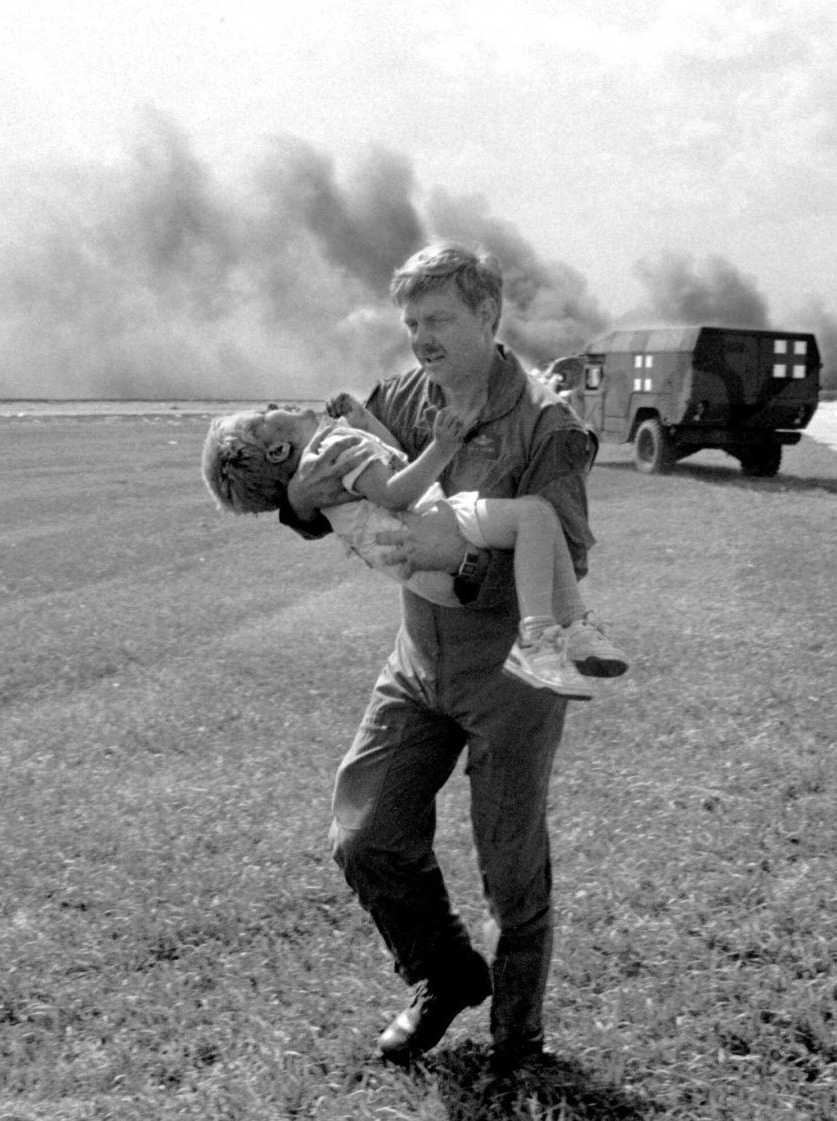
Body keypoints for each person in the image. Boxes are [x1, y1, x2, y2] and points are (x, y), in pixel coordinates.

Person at [274, 241, 606, 1069]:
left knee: (509, 864)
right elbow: (347, 482)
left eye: (439, 320)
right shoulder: (404, 395)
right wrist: (299, 501)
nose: (421, 338)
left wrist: (459, 551)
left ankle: (519, 1036)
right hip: (418, 660)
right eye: (412, 321)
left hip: (510, 672)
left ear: (489, 316)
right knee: (366, 834)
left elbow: (567, 551)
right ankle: (444, 973)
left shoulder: (547, 423)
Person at [201, 396, 627, 696]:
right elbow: (393, 492)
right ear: (277, 450)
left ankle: (574, 628)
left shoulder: (332, 450)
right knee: (535, 516)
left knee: (538, 519)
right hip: (430, 527)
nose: (273, 407)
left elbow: (394, 461)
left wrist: (367, 421)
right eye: (262, 418)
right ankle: (542, 639)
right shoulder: (333, 451)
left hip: (428, 554)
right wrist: (443, 448)